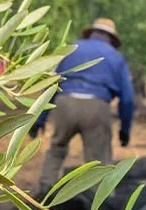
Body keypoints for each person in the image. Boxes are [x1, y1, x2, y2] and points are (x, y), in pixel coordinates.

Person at [30, 18, 135, 189]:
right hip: (96, 106)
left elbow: (51, 84)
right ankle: (98, 201)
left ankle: (45, 190)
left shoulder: (72, 48)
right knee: (98, 161)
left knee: (57, 148)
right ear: (111, 38)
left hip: (66, 102)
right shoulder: (116, 56)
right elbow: (127, 98)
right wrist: (125, 129)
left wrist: (39, 119)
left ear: (91, 33)